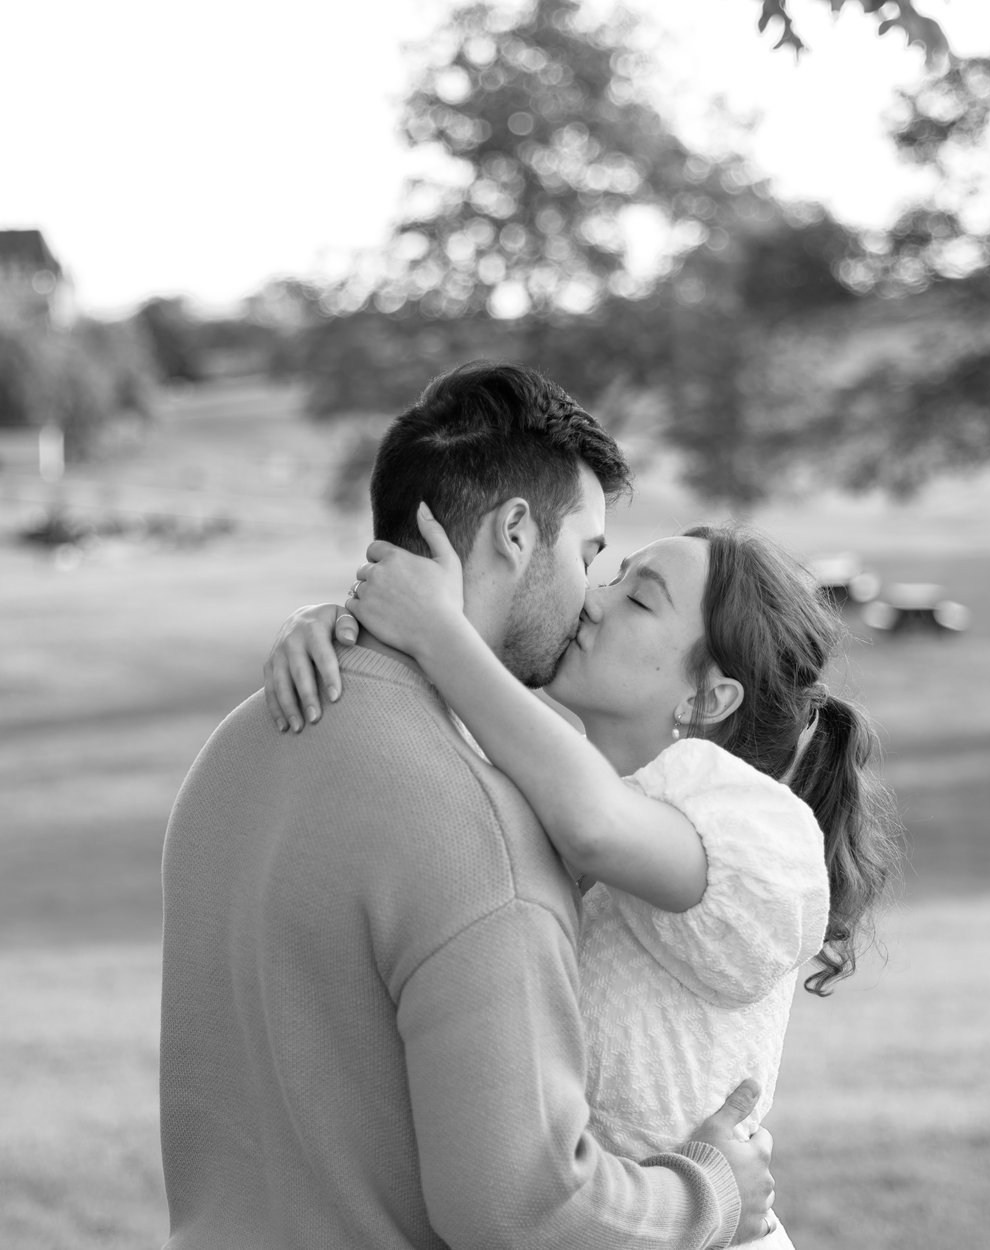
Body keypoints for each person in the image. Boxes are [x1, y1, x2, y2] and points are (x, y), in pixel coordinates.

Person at [160, 360, 777, 1250]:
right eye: (589, 555)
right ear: (517, 533)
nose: (589, 601)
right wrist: (712, 1192)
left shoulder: (235, 749)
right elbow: (526, 1208)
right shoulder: (477, 827)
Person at [264, 513, 900, 1250]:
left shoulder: (757, 826)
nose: (594, 599)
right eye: (612, 575)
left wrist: (438, 633)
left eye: (639, 599)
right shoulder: (555, 778)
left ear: (709, 699)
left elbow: (596, 826)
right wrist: (333, 632)